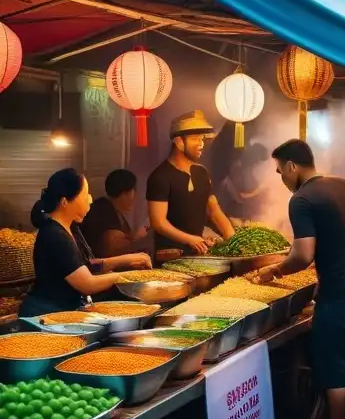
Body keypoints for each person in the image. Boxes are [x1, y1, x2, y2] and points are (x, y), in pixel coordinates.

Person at [260, 139, 345, 419]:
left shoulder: (302, 200)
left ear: (291, 166)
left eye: (279, 171)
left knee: (334, 366)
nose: (281, 178)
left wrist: (276, 272)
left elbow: (303, 254)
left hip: (337, 294)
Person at [20, 169, 152, 317]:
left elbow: (87, 266)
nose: (90, 199)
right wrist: (127, 277)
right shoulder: (55, 235)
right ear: (65, 202)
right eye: (85, 194)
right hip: (48, 315)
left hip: (64, 312)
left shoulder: (70, 228)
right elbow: (87, 284)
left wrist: (127, 260)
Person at [147, 111, 235, 256]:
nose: (201, 144)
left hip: (198, 252)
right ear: (179, 142)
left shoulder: (201, 173)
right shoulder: (160, 177)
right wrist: (190, 239)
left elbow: (214, 211)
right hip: (170, 255)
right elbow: (158, 222)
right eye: (195, 139)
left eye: (202, 139)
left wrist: (234, 240)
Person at [80, 169, 149, 258]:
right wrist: (136, 238)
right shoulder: (104, 209)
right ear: (126, 193)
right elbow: (112, 248)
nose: (135, 197)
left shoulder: (106, 206)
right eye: (133, 191)